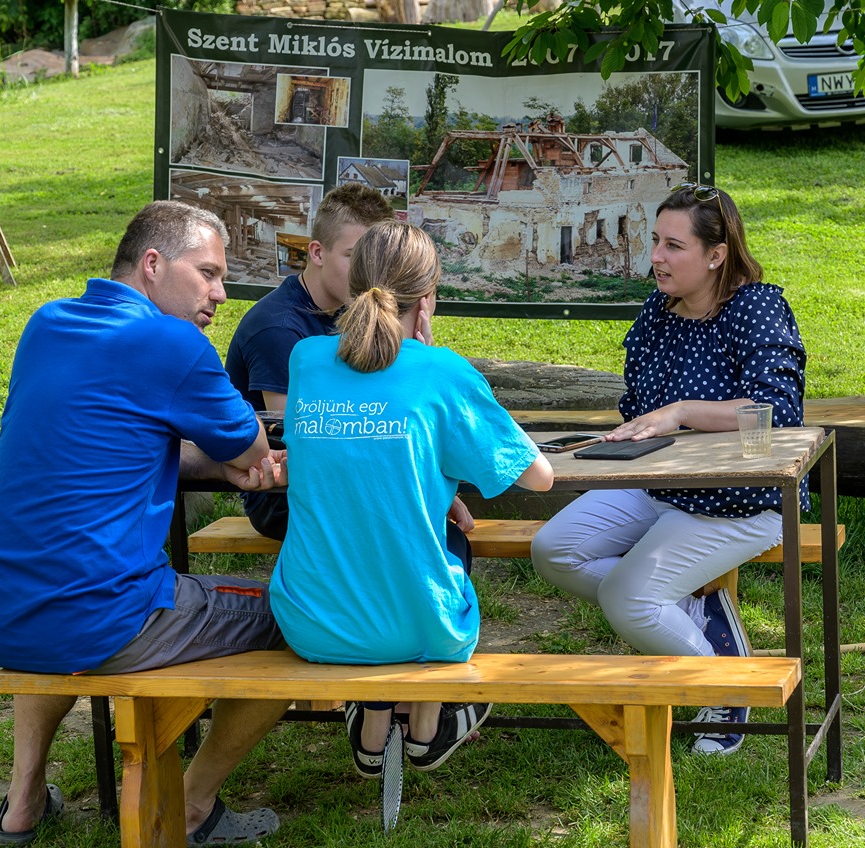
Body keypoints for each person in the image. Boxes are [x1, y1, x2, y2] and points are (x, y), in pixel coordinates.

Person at [0, 201, 291, 846]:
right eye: (209, 274)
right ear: (153, 263)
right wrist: (236, 462)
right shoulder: (171, 342)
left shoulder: (47, 322)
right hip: (106, 618)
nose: (220, 295)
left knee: (60, 599)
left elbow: (115, 436)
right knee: (307, 614)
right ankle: (194, 806)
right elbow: (252, 449)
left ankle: (23, 803)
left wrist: (216, 465)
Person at [268, 220, 555, 778]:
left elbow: (351, 460)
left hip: (311, 620)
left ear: (354, 285)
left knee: (382, 545)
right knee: (449, 540)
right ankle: (427, 725)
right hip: (425, 627)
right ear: (427, 299)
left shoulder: (305, 359)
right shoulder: (442, 370)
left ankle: (375, 729)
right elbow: (539, 476)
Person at [530, 183, 807, 755]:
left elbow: (775, 415)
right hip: (661, 483)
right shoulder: (660, 310)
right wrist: (638, 429)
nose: (655, 256)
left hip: (744, 499)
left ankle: (723, 687)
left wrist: (681, 413)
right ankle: (695, 616)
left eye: (673, 245)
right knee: (552, 550)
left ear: (716, 254)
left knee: (629, 599)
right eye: (655, 241)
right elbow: (640, 406)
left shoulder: (757, 307)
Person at [224, 182, 396, 541]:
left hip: (338, 473)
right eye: (355, 257)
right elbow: (297, 441)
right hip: (280, 495)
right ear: (316, 253)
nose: (370, 274)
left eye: (377, 261)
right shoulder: (277, 329)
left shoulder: (354, 309)